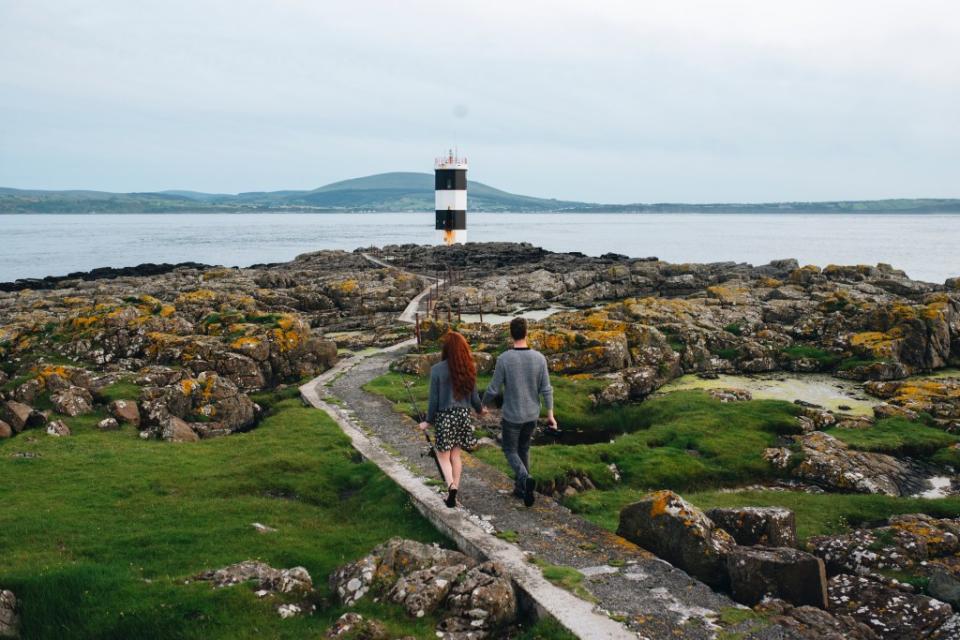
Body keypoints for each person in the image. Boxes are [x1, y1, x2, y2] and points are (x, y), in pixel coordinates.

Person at [483, 317, 557, 507]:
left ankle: (524, 478)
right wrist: (550, 415)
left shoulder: (504, 359)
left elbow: (493, 389)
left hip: (512, 416)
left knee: (509, 450)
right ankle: (521, 490)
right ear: (526, 333)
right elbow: (546, 389)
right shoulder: (540, 359)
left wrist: (482, 406)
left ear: (511, 334)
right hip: (532, 415)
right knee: (524, 449)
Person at [418, 331, 486, 508]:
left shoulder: (437, 370)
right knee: (456, 455)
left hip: (445, 417)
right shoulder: (468, 367)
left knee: (442, 456)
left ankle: (451, 487)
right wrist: (480, 410)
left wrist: (428, 421)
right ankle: (454, 495)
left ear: (446, 349)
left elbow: (434, 401)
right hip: (463, 416)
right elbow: (475, 397)